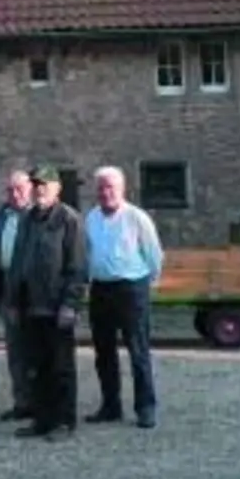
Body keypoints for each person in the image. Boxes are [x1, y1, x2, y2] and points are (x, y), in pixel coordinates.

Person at [7, 165, 88, 442]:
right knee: (36, 366)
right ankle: (42, 420)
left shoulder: (69, 220)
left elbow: (77, 267)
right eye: (36, 184)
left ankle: (64, 422)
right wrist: (14, 302)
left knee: (61, 367)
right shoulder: (27, 219)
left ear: (57, 188)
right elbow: (19, 262)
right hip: (31, 306)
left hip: (56, 307)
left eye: (45, 184)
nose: (40, 189)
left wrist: (70, 304)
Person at [84, 166, 165, 429]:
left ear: (122, 189)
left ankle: (146, 407)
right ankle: (111, 406)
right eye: (101, 187)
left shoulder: (136, 218)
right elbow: (86, 253)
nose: (106, 192)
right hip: (101, 289)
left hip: (131, 288)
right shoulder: (91, 218)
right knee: (103, 352)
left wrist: (145, 283)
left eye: (111, 187)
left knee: (138, 350)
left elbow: (153, 254)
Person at [0, 170, 34, 422]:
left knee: (35, 348)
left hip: (32, 287)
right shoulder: (0, 216)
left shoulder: (37, 216)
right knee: (14, 347)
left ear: (29, 189)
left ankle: (40, 402)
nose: (14, 194)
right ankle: (21, 401)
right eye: (10, 190)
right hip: (7, 285)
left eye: (19, 189)